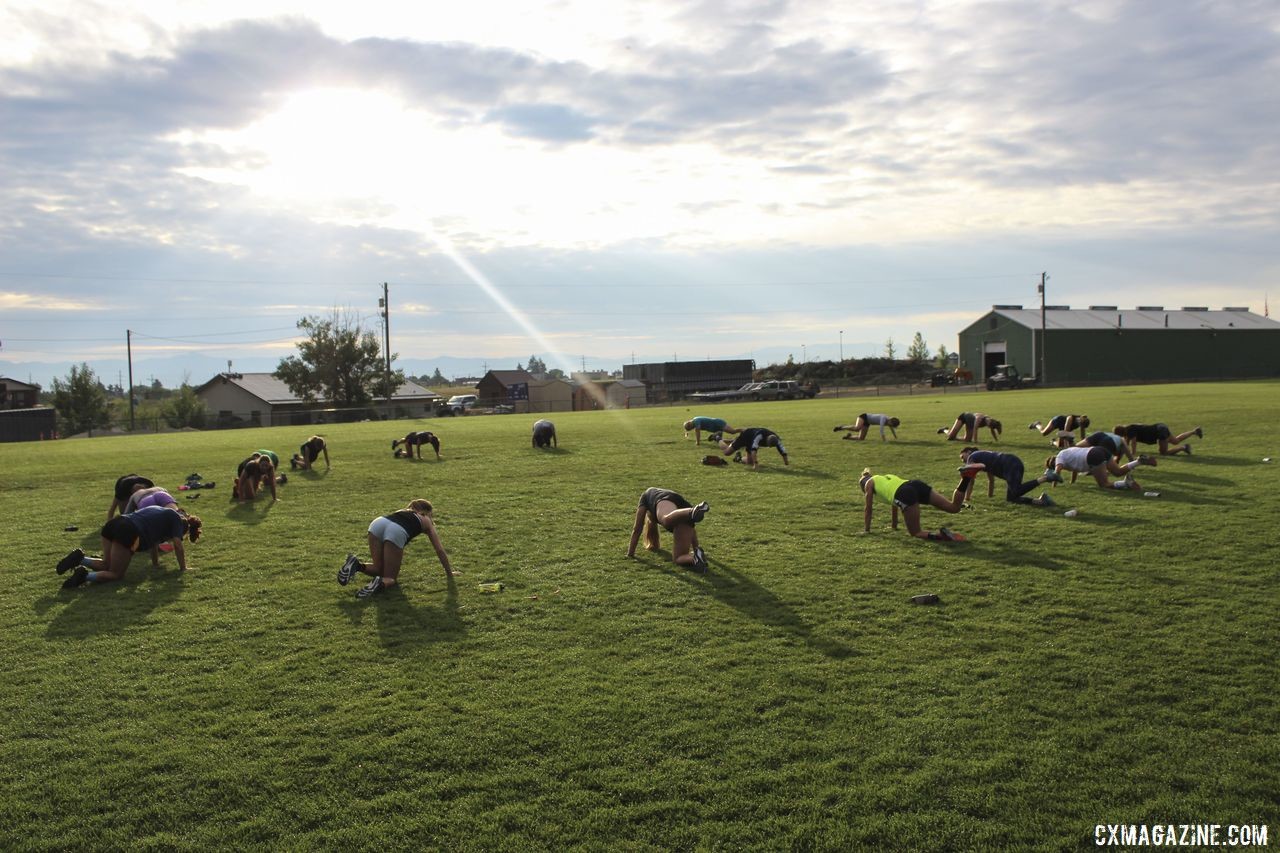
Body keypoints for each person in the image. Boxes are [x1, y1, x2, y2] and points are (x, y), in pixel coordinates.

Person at [57, 506, 202, 588]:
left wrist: (156, 563)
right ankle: (84, 576)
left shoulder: (160, 514)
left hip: (115, 523)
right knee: (116, 574)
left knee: (107, 564)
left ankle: (80, 559)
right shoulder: (176, 520)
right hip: (128, 531)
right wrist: (183, 568)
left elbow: (154, 544)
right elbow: (178, 546)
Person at [337, 499, 455, 598]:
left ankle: (356, 565)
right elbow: (439, 549)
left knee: (379, 569)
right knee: (390, 578)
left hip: (378, 523)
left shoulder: (402, 511)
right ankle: (379, 583)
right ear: (427, 511)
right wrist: (449, 573)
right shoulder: (426, 520)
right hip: (396, 530)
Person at [859, 468, 966, 541]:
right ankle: (966, 478)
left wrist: (866, 530)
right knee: (953, 507)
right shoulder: (885, 478)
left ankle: (941, 536)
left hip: (904, 493)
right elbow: (894, 504)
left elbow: (868, 509)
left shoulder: (869, 483)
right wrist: (894, 526)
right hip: (915, 484)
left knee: (916, 533)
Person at [626, 487, 710, 570]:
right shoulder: (654, 509)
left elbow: (637, 529)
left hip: (665, 499)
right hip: (684, 511)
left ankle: (692, 511)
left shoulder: (646, 496)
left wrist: (630, 553)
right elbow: (692, 532)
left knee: (665, 519)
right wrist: (696, 549)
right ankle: (696, 559)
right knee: (678, 558)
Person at [958, 447, 1062, 506]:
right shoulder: (982, 457)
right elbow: (991, 480)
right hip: (1012, 463)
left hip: (1009, 464)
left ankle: (1045, 477)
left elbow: (971, 480)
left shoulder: (972, 457)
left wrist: (966, 498)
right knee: (1011, 498)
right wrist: (990, 496)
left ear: (968, 452)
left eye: (963, 457)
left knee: (1016, 490)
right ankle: (1041, 501)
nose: (963, 461)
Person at [1047, 446, 1157, 490]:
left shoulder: (1059, 459)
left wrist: (1054, 486)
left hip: (1092, 457)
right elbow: (1074, 469)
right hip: (1099, 450)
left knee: (1104, 484)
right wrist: (1072, 482)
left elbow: (1057, 473)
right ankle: (1139, 461)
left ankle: (1125, 484)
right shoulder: (1064, 453)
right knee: (1117, 471)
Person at [1114, 423, 1203, 457]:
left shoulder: (1130, 431)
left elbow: (1133, 442)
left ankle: (1184, 447)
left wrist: (1133, 453)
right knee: (1175, 441)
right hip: (1160, 426)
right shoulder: (1129, 429)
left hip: (1159, 432)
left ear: (1121, 433)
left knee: (1163, 452)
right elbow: (1126, 444)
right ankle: (1194, 431)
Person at [718, 427, 788, 469]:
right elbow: (753, 449)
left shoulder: (776, 439)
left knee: (749, 462)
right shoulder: (759, 436)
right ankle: (718, 438)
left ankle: (738, 458)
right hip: (745, 436)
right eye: (767, 444)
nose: (768, 446)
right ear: (766, 439)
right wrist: (756, 464)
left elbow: (782, 451)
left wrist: (786, 463)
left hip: (751, 440)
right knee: (727, 452)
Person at [937, 412, 1002, 442]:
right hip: (963, 418)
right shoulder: (979, 418)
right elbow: (975, 429)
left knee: (967, 440)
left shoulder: (990, 421)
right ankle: (944, 430)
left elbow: (992, 430)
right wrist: (976, 441)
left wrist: (996, 440)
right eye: (989, 425)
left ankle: (954, 438)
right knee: (951, 436)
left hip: (970, 424)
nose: (988, 426)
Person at [833, 414, 900, 441]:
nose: (890, 426)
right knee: (857, 428)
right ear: (891, 421)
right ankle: (841, 427)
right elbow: (881, 430)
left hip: (867, 423)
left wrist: (895, 436)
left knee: (861, 438)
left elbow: (892, 429)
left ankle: (848, 437)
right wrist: (884, 440)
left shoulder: (889, 422)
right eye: (891, 425)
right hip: (864, 417)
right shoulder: (883, 419)